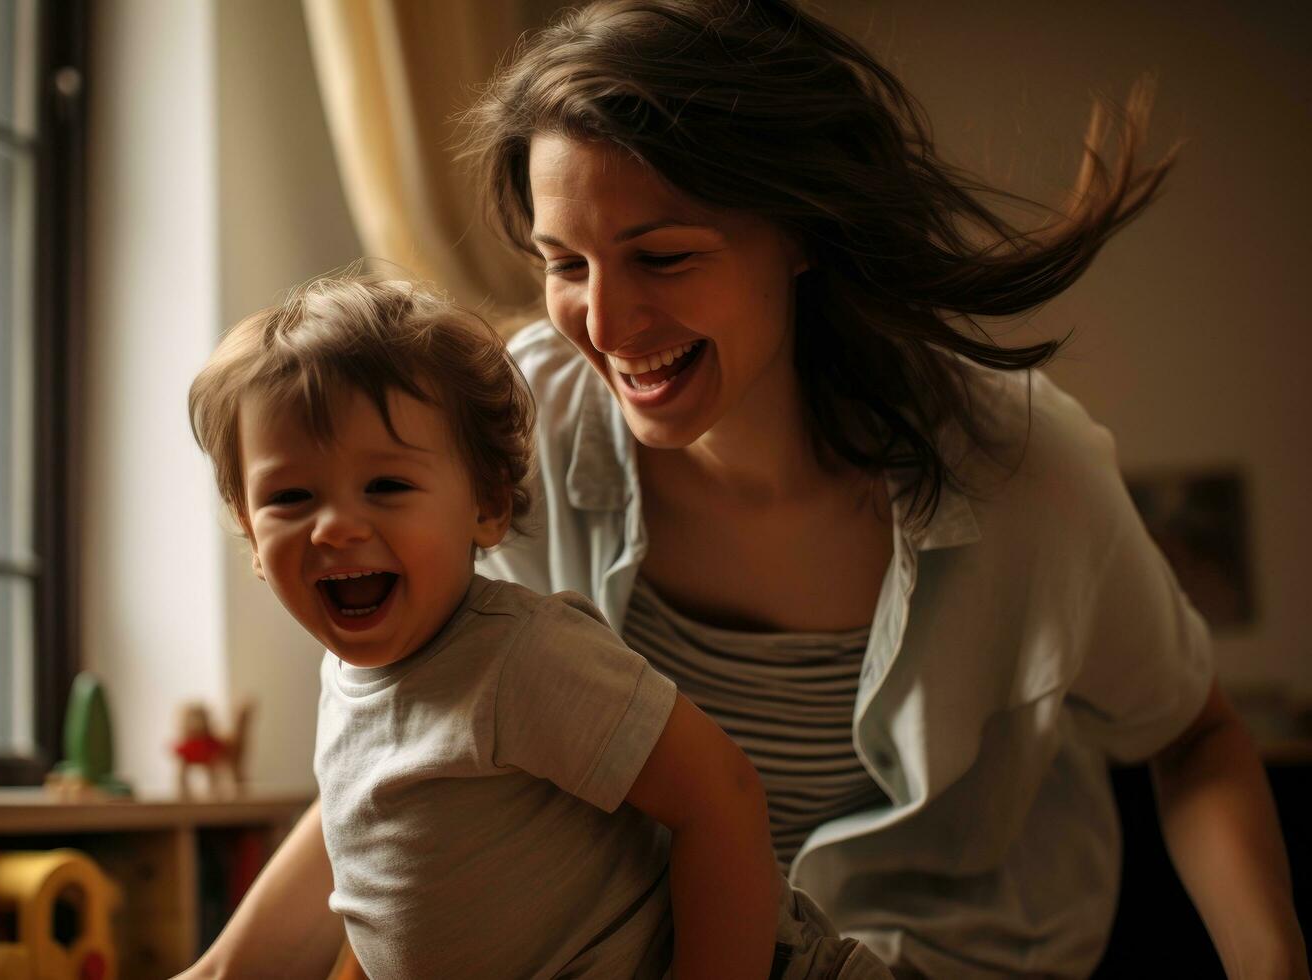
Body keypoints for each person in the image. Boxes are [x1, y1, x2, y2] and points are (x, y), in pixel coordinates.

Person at [184, 2, 1308, 978]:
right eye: (565, 263)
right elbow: (417, 740)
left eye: (663, 257)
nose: (606, 326)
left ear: (800, 235)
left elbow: (1195, 736)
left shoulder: (1028, 470)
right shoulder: (504, 429)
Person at [184, 272, 893, 979]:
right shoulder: (350, 677)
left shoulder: (523, 657)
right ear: (249, 533)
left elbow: (723, 796)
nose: (335, 528)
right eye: (291, 497)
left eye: (387, 486)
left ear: (488, 506)